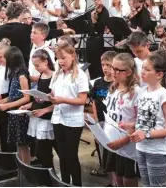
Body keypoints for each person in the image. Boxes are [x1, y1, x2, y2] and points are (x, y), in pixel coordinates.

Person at [130, 52, 166, 187]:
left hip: (157, 150)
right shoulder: (143, 91)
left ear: (159, 74)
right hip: (141, 147)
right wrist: (129, 125)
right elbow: (144, 118)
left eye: (147, 69)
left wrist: (146, 134)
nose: (142, 72)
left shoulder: (163, 95)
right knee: (146, 184)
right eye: (142, 68)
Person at [49, 42, 89, 186]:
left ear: (73, 56)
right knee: (62, 155)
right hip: (58, 118)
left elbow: (82, 100)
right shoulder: (57, 73)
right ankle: (65, 182)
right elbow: (53, 93)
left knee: (71, 156)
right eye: (58, 58)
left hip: (72, 120)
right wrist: (45, 97)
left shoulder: (80, 75)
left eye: (63, 58)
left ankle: (77, 184)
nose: (60, 61)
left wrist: (62, 100)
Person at [104, 53, 139, 187]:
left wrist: (123, 141)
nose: (113, 72)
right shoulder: (113, 88)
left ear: (129, 72)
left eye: (117, 70)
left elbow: (140, 122)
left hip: (127, 145)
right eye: (113, 68)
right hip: (112, 142)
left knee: (127, 180)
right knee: (116, 178)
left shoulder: (135, 92)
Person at [0, 46, 32, 163]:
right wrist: (4, 101)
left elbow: (26, 97)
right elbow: (13, 94)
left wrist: (9, 105)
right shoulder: (14, 73)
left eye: (5, 58)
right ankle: (20, 165)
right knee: (17, 143)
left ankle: (26, 167)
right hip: (14, 112)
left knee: (22, 143)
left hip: (20, 112)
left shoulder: (22, 75)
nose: (3, 61)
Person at [20, 49, 55, 168]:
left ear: (46, 62)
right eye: (34, 65)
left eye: (37, 65)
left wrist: (46, 100)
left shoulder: (53, 76)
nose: (36, 68)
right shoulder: (41, 75)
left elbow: (53, 98)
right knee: (38, 148)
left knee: (45, 148)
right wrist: (27, 106)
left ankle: (49, 174)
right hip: (37, 114)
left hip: (46, 116)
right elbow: (38, 99)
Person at [89, 51, 116, 178]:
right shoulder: (98, 83)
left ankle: (112, 170)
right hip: (100, 119)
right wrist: (95, 120)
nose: (105, 68)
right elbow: (94, 102)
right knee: (100, 145)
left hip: (112, 121)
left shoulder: (116, 83)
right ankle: (103, 167)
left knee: (112, 147)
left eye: (108, 65)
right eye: (103, 65)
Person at [0, 38, 15, 152]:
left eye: (1, 57)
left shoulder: (12, 68)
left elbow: (14, 90)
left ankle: (10, 156)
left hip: (8, 103)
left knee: (8, 133)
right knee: (1, 130)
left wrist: (3, 97)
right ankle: (4, 153)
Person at [87, 0, 110, 79]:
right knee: (90, 64)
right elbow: (87, 25)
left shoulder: (105, 11)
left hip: (98, 40)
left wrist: (93, 19)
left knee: (98, 64)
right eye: (95, 0)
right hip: (90, 39)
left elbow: (100, 27)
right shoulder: (91, 10)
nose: (97, 2)